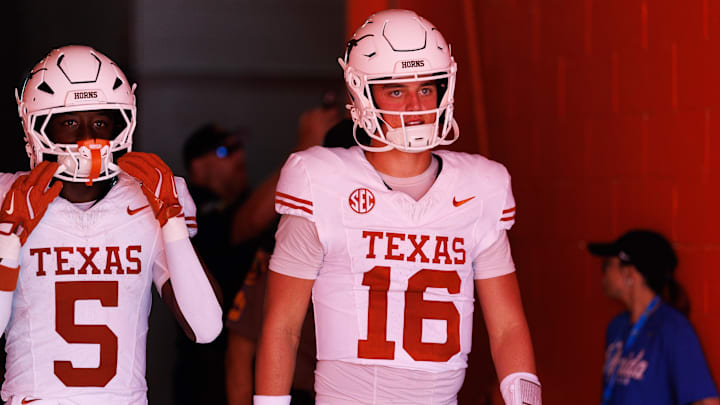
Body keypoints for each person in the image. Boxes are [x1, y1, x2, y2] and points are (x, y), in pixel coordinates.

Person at [255, 9, 541, 405]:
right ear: (362, 94)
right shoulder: (320, 181)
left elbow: (507, 327)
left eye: (426, 89)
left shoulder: (481, 188)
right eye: (396, 90)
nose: (415, 105)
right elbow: (282, 327)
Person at [0, 45, 222, 405]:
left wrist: (171, 218)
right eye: (70, 122)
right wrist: (7, 241)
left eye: (101, 122)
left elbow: (205, 327)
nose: (89, 138)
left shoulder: (153, 196)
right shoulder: (8, 196)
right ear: (35, 126)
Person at [588, 230, 719, 405]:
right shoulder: (616, 327)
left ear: (629, 273)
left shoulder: (673, 328)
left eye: (607, 264)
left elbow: (706, 402)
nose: (603, 274)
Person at [175, 124, 253, 404]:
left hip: (253, 354)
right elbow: (243, 225)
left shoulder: (246, 199)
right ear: (197, 166)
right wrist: (304, 156)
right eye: (225, 151)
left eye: (238, 147)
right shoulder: (187, 206)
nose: (238, 156)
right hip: (206, 365)